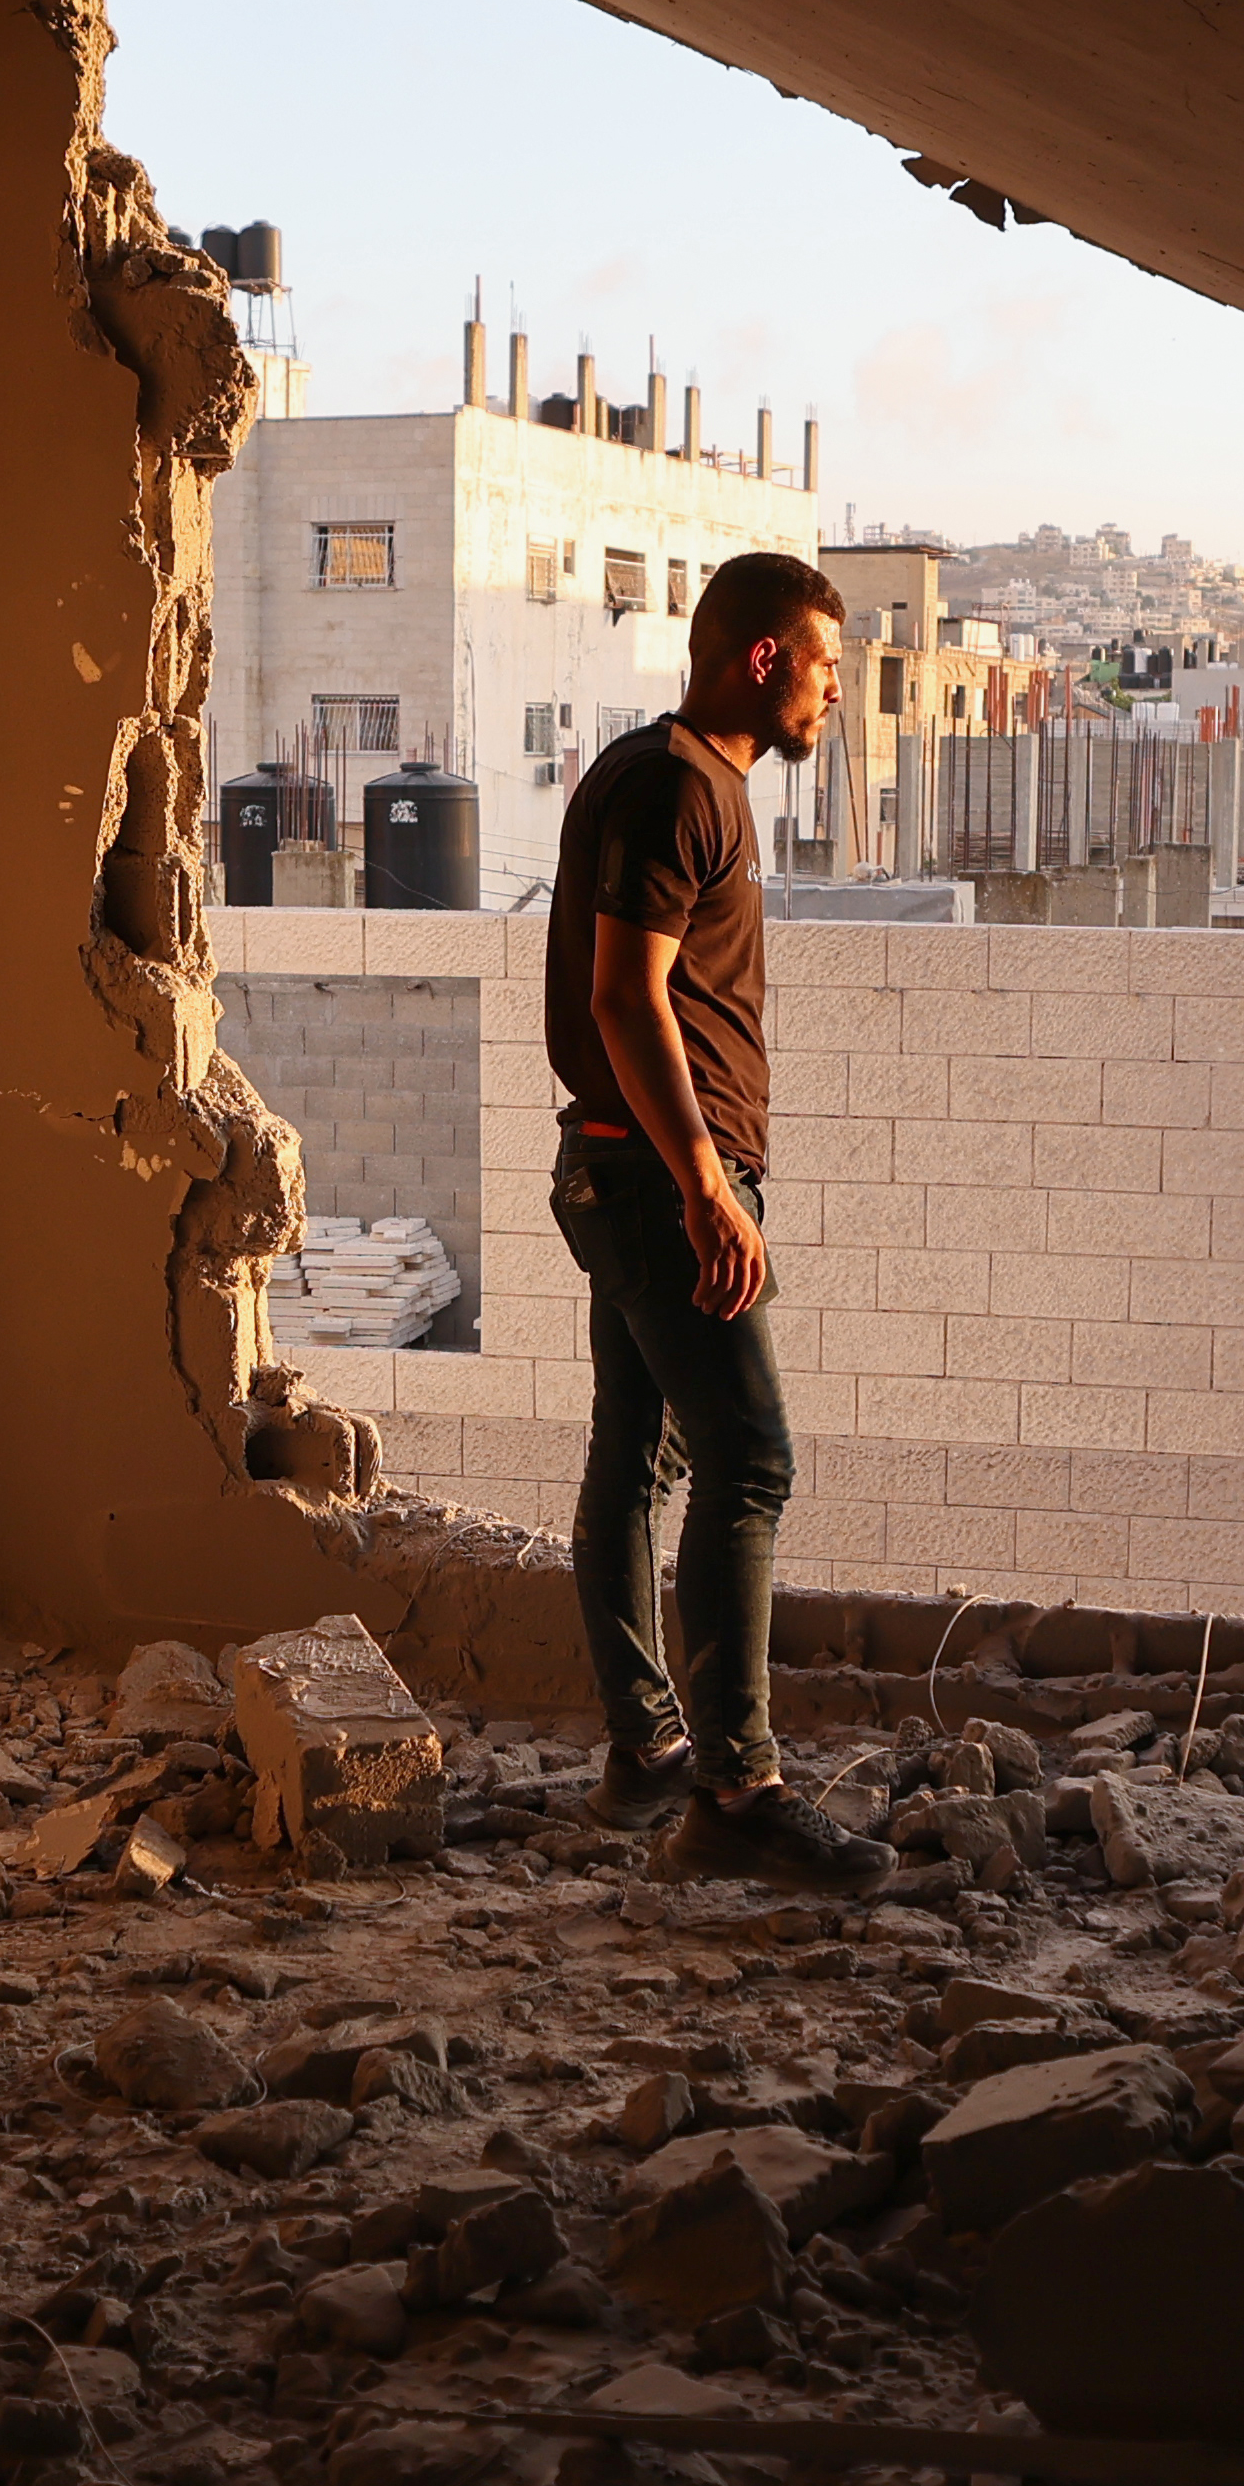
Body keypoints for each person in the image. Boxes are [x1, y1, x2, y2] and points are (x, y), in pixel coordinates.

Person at [545, 556, 890, 1886]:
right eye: (827, 669)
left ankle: (648, 1757)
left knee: (638, 1458)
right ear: (762, 661)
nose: (833, 697)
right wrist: (706, 1189)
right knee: (749, 1461)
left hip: (635, 1169)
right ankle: (737, 1796)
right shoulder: (677, 789)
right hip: (652, 1179)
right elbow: (627, 1000)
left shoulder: (681, 782)